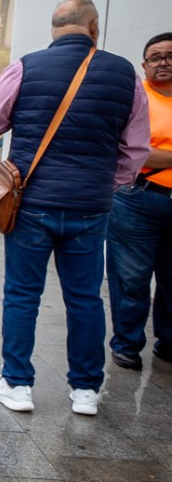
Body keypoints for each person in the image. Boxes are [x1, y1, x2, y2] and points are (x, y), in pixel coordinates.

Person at [0, 0, 150, 416]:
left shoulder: (25, 67)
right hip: (91, 207)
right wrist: (108, 183)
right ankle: (86, 391)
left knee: (21, 295)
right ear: (93, 26)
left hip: (32, 204)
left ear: (55, 28)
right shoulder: (126, 75)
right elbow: (136, 149)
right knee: (86, 298)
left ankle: (17, 384)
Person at [106, 32, 172, 370]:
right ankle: (127, 344)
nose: (163, 62)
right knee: (131, 277)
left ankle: (169, 343)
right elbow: (136, 151)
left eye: (170, 55)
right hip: (138, 199)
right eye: (155, 57)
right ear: (144, 65)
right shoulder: (136, 98)